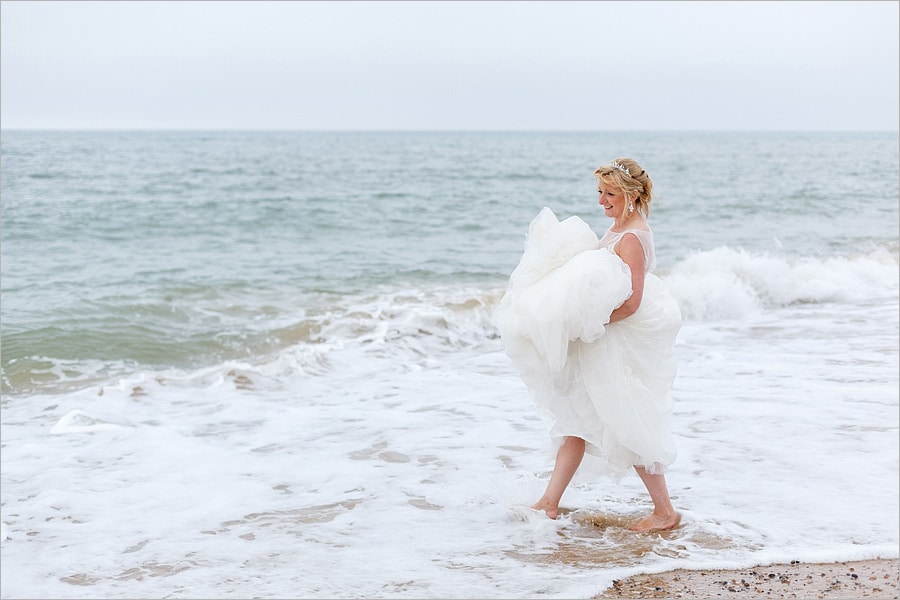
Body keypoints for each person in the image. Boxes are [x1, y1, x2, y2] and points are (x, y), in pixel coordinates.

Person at [494, 157, 682, 532]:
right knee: (574, 419)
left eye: (609, 193)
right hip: (599, 341)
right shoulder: (617, 228)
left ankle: (665, 512)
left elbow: (632, 302)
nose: (601, 201)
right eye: (599, 192)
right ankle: (549, 501)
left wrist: (585, 323)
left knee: (626, 423)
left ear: (630, 195)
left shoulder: (632, 238)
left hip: (613, 345)